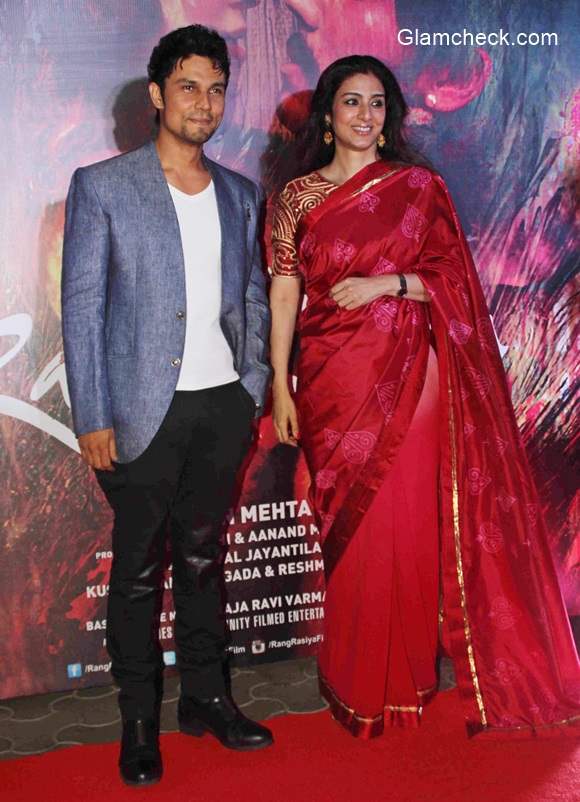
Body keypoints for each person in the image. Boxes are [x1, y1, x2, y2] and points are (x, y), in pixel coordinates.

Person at [269, 55, 580, 739]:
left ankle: (405, 679)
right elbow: (284, 291)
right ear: (326, 116)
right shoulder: (295, 199)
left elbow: (457, 284)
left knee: (402, 524)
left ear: (389, 118)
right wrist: (279, 380)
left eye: (377, 103)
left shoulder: (418, 189)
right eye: (350, 102)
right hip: (329, 379)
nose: (364, 115)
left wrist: (391, 285)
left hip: (412, 376)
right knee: (349, 529)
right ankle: (353, 678)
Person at [61, 24, 273, 787]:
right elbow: (82, 308)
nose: (204, 102)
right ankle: (141, 721)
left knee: (204, 560)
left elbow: (250, 296)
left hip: (221, 407)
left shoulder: (242, 193)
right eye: (189, 86)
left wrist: (252, 388)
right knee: (140, 575)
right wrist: (92, 413)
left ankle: (208, 700)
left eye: (216, 88)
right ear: (156, 95)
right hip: (141, 412)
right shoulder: (104, 186)